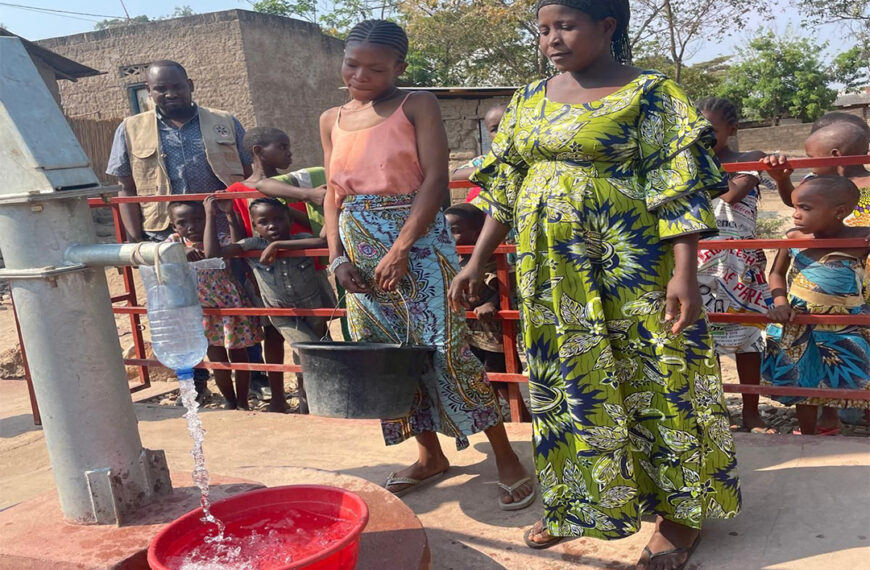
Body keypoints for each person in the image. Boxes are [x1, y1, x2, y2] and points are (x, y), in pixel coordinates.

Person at [448, 1, 740, 566]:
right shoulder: (530, 99)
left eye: (565, 26)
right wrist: (476, 260)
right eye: (543, 29)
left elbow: (679, 187)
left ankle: (678, 518)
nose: (551, 39)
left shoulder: (652, 94)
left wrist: (685, 275)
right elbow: (504, 188)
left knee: (654, 375)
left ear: (607, 27)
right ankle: (581, 505)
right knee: (568, 384)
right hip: (551, 275)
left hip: (630, 267)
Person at [320, 19, 535, 510]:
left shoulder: (417, 103)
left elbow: (437, 181)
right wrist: (336, 260)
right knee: (387, 357)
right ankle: (430, 456)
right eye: (352, 64)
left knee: (445, 351)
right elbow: (333, 197)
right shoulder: (330, 117)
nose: (359, 75)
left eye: (375, 68)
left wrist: (400, 248)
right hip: (357, 249)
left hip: (418, 244)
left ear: (400, 66)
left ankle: (507, 459)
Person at [106, 59, 253, 399]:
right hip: (165, 237)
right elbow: (125, 187)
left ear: (190, 84)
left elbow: (248, 172)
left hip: (225, 233)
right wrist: (136, 241)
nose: (170, 93)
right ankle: (197, 384)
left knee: (237, 305)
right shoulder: (130, 128)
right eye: (161, 88)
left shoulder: (224, 122)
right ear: (150, 91)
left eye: (176, 86)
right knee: (178, 311)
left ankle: (251, 377)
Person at [761, 176, 870, 435]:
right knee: (803, 377)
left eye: (805, 208)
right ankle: (808, 435)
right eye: (796, 207)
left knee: (856, 374)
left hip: (847, 323)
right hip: (800, 321)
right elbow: (776, 273)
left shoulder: (862, 238)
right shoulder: (793, 237)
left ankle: (839, 422)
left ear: (839, 212)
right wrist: (780, 302)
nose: (796, 214)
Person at [695, 97, 774, 434]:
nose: (702, 136)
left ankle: (751, 411)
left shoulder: (749, 160)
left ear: (732, 128)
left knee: (749, 339)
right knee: (705, 338)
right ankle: (717, 411)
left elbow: (730, 195)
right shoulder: (689, 163)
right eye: (696, 130)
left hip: (740, 263)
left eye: (710, 130)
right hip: (698, 263)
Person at [206, 198, 329, 414]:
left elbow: (323, 241)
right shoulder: (252, 246)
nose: (272, 225)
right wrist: (216, 215)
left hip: (313, 310)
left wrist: (278, 245)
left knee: (312, 352)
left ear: (289, 220)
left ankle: (307, 404)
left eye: (279, 219)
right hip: (282, 313)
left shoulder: (302, 239)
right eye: (264, 222)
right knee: (308, 349)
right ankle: (307, 403)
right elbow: (213, 254)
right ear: (255, 227)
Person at [165, 199, 262, 410]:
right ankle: (229, 400)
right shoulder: (174, 242)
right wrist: (180, 253)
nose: (191, 227)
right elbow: (158, 255)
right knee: (217, 359)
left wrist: (226, 216)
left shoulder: (217, 239)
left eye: (199, 219)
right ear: (174, 226)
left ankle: (243, 401)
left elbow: (232, 247)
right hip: (202, 309)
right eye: (183, 222)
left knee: (239, 354)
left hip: (228, 304)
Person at [444, 203, 529, 420]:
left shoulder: (495, 260)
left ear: (478, 233)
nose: (449, 236)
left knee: (502, 381)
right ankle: (495, 418)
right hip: (470, 334)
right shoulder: (455, 259)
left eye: (454, 230)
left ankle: (520, 418)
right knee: (481, 380)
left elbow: (509, 289)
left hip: (495, 338)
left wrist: (493, 303)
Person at [763, 121, 870, 226]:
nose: (808, 162)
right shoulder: (814, 181)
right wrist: (782, 180)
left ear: (836, 155)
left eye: (811, 157)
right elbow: (794, 202)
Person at [451, 104, 508, 203]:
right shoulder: (485, 160)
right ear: (489, 135)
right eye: (495, 129)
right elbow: (455, 175)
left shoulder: (529, 159)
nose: (501, 132)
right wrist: (488, 170)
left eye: (506, 126)